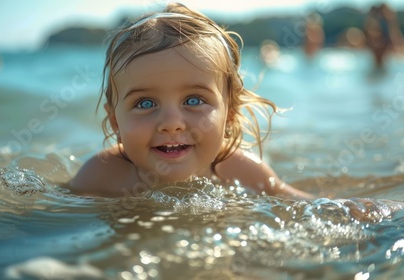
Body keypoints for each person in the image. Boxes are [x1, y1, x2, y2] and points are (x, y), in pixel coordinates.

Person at [70, 3, 314, 200]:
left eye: (194, 100)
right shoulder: (100, 176)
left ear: (229, 112)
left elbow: (305, 205)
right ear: (115, 122)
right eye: (145, 103)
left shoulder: (243, 173)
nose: (172, 124)